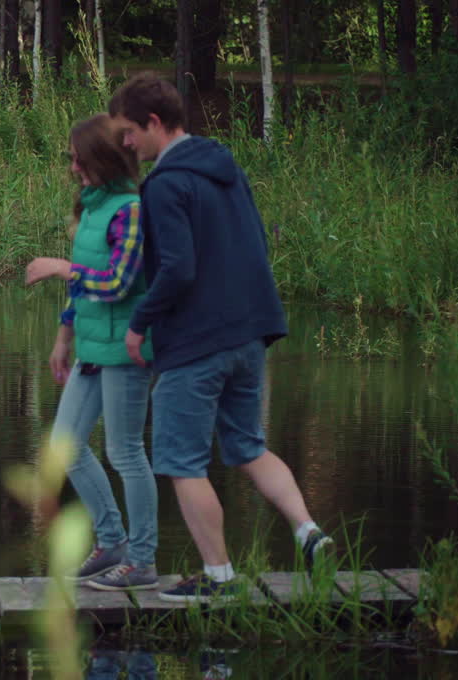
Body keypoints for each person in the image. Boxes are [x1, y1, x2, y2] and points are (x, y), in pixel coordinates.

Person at [107, 72, 332, 603]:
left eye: (129, 133)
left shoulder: (165, 184)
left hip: (199, 341)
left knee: (181, 461)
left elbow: (179, 268)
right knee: (249, 446)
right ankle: (308, 531)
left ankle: (217, 577)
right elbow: (254, 243)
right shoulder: (224, 166)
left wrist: (139, 324)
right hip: (250, 332)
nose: (125, 145)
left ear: (154, 124)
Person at [26, 113, 159, 592]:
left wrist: (60, 268)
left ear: (102, 158)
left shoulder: (131, 210)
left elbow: (119, 283)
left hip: (127, 348)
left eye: (79, 159)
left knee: (125, 452)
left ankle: (143, 560)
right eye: (71, 159)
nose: (73, 167)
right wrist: (64, 337)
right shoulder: (91, 206)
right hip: (91, 345)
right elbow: (85, 283)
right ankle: (113, 544)